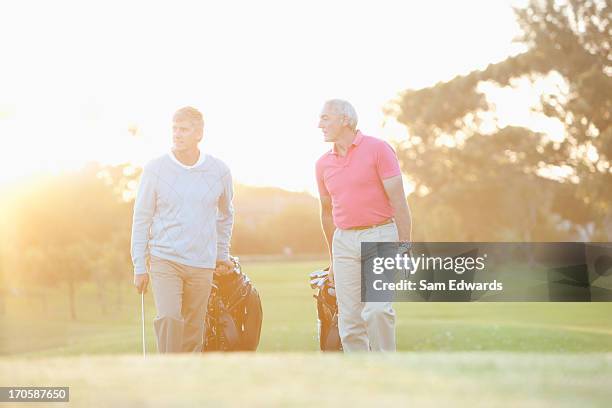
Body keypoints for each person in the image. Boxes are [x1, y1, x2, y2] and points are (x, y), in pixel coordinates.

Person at [131, 106, 234, 353]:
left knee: (193, 328)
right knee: (168, 318)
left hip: (202, 263)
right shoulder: (155, 169)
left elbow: (226, 215)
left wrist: (221, 253)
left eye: (184, 130)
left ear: (199, 133)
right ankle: (167, 377)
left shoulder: (219, 171)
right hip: (165, 259)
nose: (177, 134)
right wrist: (139, 265)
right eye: (174, 129)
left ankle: (188, 382)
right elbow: (142, 217)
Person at [315, 99, 412, 352]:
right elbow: (326, 213)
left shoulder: (378, 149)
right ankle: (361, 378)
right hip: (344, 241)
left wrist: (404, 245)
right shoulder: (322, 164)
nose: (319, 125)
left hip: (380, 236)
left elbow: (399, 201)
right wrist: (333, 259)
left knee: (378, 309)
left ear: (345, 120)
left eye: (325, 118)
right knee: (350, 320)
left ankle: (385, 371)